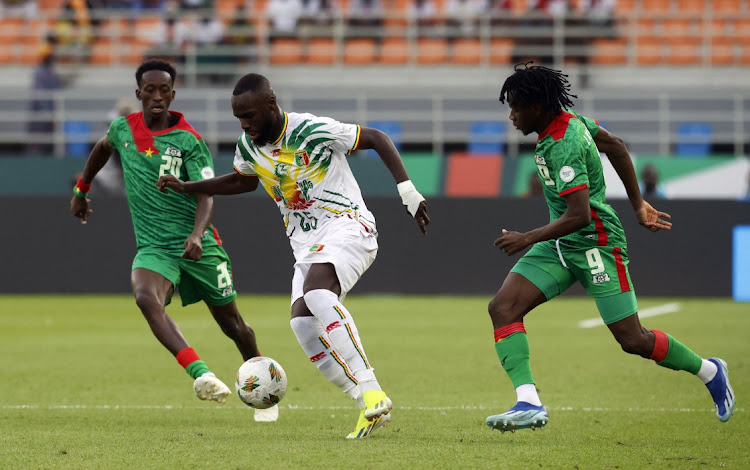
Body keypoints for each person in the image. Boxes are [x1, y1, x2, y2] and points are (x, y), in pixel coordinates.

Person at [157, 73, 430, 438]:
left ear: (271, 105)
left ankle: (374, 390)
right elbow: (244, 180)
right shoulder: (249, 146)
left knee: (318, 294)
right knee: (302, 323)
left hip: (348, 226)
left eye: (250, 116)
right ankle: (366, 401)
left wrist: (407, 191)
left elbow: (377, 138)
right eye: (239, 118)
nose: (245, 124)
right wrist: (189, 187)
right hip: (307, 245)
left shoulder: (311, 129)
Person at [485, 63, 735, 433]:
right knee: (503, 308)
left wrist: (526, 238)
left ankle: (710, 371)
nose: (511, 115)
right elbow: (616, 146)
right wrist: (637, 203)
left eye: (516, 107)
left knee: (633, 339)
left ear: (537, 106)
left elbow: (580, 215)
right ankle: (529, 402)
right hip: (561, 243)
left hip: (596, 245)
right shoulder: (572, 121)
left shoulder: (564, 144)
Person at [69, 60, 275, 421]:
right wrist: (81, 190)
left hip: (198, 247)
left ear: (173, 94)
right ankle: (202, 375)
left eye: (164, 90)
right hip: (155, 249)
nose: (157, 96)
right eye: (150, 90)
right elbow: (102, 148)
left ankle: (264, 391)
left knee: (234, 326)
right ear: (139, 94)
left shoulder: (189, 141)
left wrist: (197, 234)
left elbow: (206, 194)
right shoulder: (123, 129)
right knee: (146, 298)